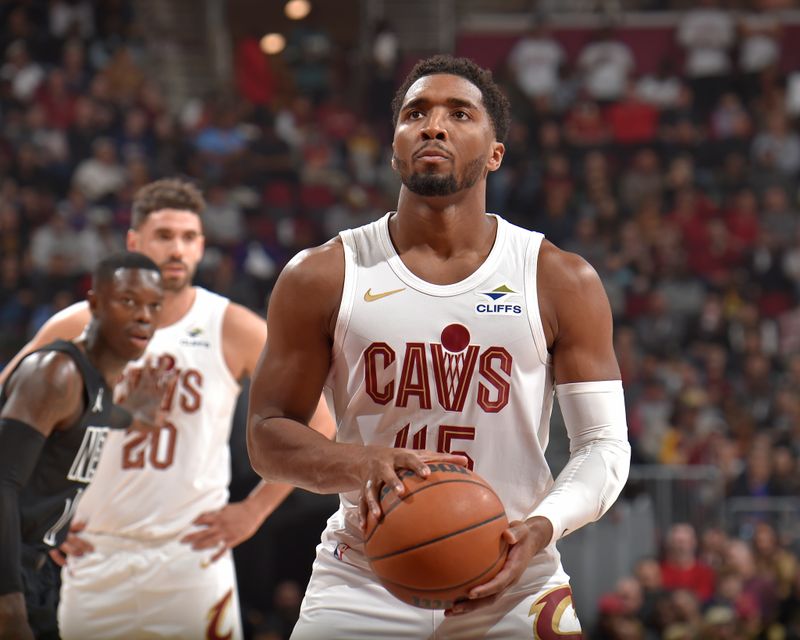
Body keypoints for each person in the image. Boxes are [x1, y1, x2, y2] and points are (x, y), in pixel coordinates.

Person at [246, 54, 631, 638]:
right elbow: (267, 436)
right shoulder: (322, 274)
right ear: (394, 147)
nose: (433, 125)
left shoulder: (558, 278)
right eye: (415, 113)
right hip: (364, 576)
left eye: (459, 113)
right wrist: (363, 462)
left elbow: (604, 446)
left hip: (512, 574)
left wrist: (542, 528)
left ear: (495, 153)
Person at [0, 178, 334, 639]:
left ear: (201, 246)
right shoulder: (80, 322)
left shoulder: (229, 324)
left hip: (191, 559)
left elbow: (321, 419)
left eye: (189, 237)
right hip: (94, 555)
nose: (178, 248)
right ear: (134, 242)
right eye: (164, 236)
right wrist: (43, 516)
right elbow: (10, 407)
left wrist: (255, 510)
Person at [0, 251, 170, 640]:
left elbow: (94, 416)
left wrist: (136, 419)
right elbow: (2, 482)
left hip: (39, 576)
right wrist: (7, 601)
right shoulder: (56, 374)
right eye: (128, 301)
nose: (144, 315)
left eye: (153, 306)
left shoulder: (94, 382)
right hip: (10, 575)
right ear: (94, 303)